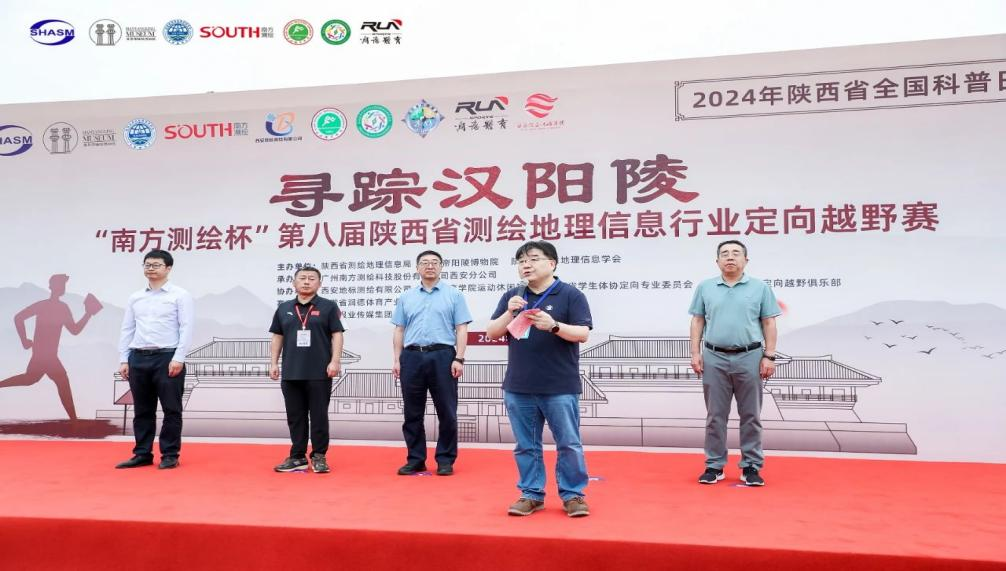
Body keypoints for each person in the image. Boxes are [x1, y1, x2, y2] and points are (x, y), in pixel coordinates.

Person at [487, 241, 593, 517]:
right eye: (522, 261)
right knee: (526, 445)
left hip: (559, 385)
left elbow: (582, 333)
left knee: (568, 443)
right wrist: (509, 312)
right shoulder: (513, 296)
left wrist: (554, 326)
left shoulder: (570, 295)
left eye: (533, 259)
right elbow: (492, 332)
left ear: (551, 263)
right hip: (519, 385)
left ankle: (573, 495)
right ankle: (531, 494)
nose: (526, 265)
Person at [688, 240, 781, 486]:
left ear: (745, 260)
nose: (730, 257)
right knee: (715, 415)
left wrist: (769, 355)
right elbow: (697, 321)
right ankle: (714, 465)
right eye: (725, 254)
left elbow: (769, 322)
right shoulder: (705, 287)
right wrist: (695, 353)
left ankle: (751, 466)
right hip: (714, 357)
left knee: (751, 414)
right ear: (717, 261)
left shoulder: (760, 287)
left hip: (750, 356)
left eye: (736, 253)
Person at [391, 250, 472, 476]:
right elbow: (399, 330)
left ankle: (445, 460)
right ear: (417, 268)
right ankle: (415, 459)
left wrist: (459, 358)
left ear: (441, 267)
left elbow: (461, 328)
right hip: (412, 357)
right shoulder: (406, 297)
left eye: (435, 262)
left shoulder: (454, 295)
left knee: (447, 411)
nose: (430, 266)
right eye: (425, 262)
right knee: (412, 412)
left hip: (443, 356)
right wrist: (397, 359)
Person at [115, 250, 195, 470]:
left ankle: (170, 454)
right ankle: (142, 453)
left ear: (168, 268)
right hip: (138, 357)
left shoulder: (180, 295)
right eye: (147, 264)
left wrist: (179, 358)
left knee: (171, 409)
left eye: (156, 265)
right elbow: (127, 329)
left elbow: (186, 328)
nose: (150, 268)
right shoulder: (135, 297)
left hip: (167, 357)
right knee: (142, 410)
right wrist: (124, 359)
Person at [270, 266, 345, 473]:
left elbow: (337, 334)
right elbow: (277, 336)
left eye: (312, 278)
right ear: (294, 283)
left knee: (319, 415)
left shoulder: (328, 306)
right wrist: (273, 362)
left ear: (319, 283)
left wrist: (335, 361)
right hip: (292, 371)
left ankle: (319, 456)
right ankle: (297, 456)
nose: (306, 282)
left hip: (319, 371)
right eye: (302, 278)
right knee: (295, 416)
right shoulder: (284, 308)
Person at [0, 274, 102, 420]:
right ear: (53, 286)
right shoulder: (52, 306)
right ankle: (74, 421)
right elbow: (18, 318)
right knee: (60, 382)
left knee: (31, 379)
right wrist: (88, 314)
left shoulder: (58, 307)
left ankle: (74, 420)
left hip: (45, 355)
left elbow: (74, 330)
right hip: (46, 356)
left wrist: (88, 314)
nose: (63, 287)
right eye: (61, 284)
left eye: (64, 285)